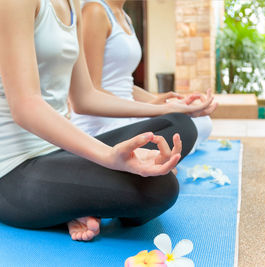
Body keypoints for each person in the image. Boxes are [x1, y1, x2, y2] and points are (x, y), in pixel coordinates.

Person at [0, 0, 216, 242]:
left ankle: (74, 201)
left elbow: (85, 97)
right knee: (160, 189)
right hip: (4, 175)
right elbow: (25, 106)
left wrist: (166, 107)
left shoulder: (72, 3)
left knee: (177, 124)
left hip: (55, 152)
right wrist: (110, 157)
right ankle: (76, 201)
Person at [70, 0, 214, 154]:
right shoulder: (95, 12)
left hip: (126, 115)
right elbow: (91, 89)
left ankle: (163, 153)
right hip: (102, 125)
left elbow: (124, 84)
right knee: (184, 126)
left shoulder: (125, 17)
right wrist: (157, 109)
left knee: (203, 123)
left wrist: (174, 104)